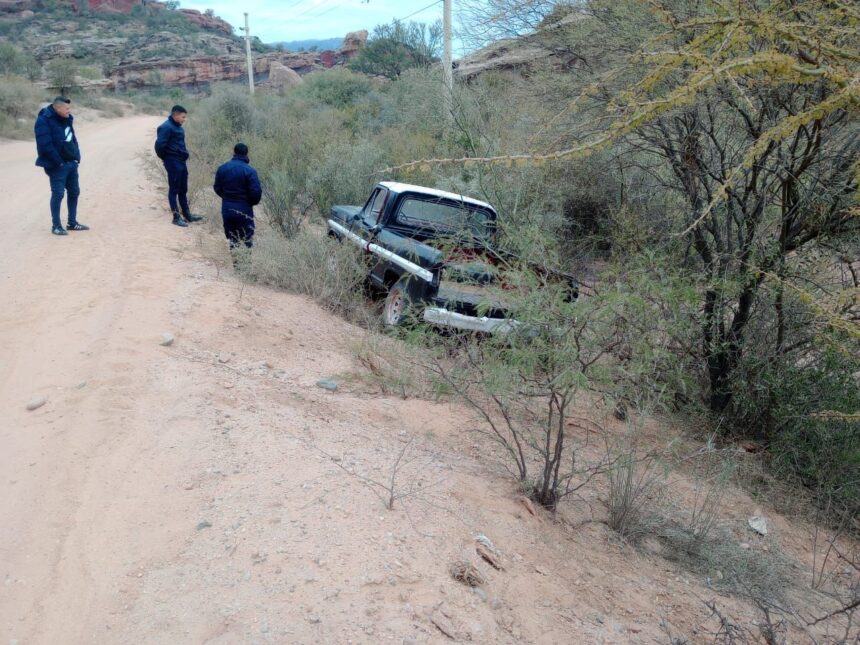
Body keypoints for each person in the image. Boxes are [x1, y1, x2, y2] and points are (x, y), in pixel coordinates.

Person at [34, 96, 89, 236]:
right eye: (67, 108)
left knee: (74, 192)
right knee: (58, 194)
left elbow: (72, 138)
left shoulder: (67, 119)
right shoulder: (43, 121)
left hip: (71, 163)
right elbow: (45, 145)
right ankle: (56, 226)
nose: (69, 111)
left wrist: (77, 156)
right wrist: (59, 162)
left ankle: (72, 223)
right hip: (56, 165)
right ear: (58, 108)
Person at [154, 105, 202, 227]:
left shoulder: (178, 127)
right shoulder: (166, 127)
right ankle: (176, 217)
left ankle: (187, 215)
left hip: (181, 162)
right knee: (174, 190)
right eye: (183, 117)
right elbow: (159, 146)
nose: (184, 119)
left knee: (183, 189)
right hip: (173, 162)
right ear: (175, 115)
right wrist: (167, 159)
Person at [213, 142, 262, 254]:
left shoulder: (222, 168)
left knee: (233, 238)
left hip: (227, 208)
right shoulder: (250, 171)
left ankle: (236, 266)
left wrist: (227, 198)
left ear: (234, 152)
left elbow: (217, 187)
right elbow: (256, 192)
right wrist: (250, 202)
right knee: (246, 239)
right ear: (246, 154)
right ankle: (245, 269)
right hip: (244, 209)